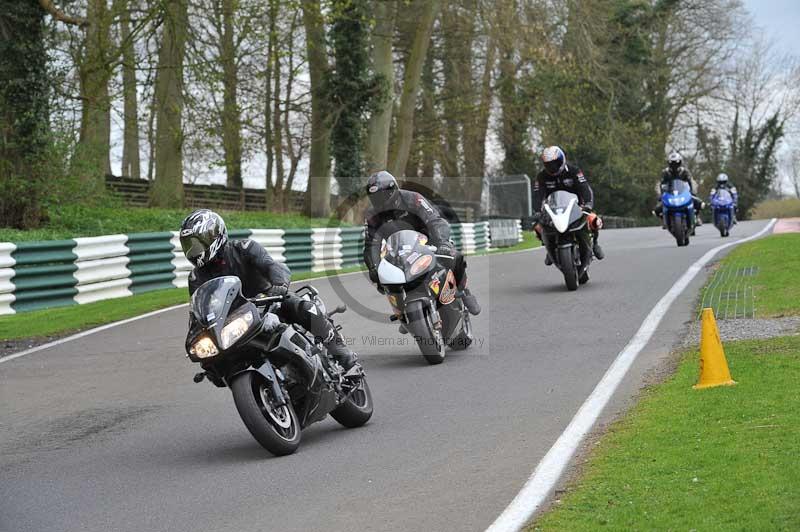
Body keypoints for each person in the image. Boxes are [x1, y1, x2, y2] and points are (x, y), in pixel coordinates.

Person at [180, 209, 359, 371]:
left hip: (269, 302)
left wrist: (279, 286)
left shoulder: (244, 249)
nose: (193, 252)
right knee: (214, 364)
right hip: (237, 324)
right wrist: (197, 336)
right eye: (188, 247)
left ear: (214, 236)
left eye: (196, 245)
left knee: (301, 307)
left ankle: (344, 355)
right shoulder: (196, 278)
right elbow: (198, 311)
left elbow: (271, 266)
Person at [363, 170, 481, 316]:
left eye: (382, 195)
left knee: (453, 256)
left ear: (392, 190)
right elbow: (371, 245)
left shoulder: (413, 199)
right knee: (385, 278)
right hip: (398, 251)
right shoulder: (372, 215)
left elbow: (435, 220)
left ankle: (464, 291)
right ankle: (403, 313)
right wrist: (374, 268)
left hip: (428, 242)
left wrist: (442, 242)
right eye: (375, 197)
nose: (379, 201)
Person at [530, 146, 604, 266]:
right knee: (538, 228)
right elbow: (537, 195)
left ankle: (595, 243)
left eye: (555, 164)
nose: (552, 168)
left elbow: (585, 188)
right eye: (549, 165)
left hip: (577, 206)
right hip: (553, 209)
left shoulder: (574, 171)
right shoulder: (542, 176)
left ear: (562, 160)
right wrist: (537, 211)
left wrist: (588, 204)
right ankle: (549, 248)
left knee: (594, 220)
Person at [654, 152, 704, 229]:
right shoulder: (665, 172)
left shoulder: (684, 171)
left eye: (676, 163)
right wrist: (661, 195)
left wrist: (692, 192)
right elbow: (661, 184)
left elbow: (690, 181)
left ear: (680, 162)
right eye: (672, 163)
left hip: (683, 192)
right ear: (669, 163)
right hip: (670, 194)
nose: (674, 165)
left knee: (699, 203)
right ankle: (664, 220)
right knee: (656, 210)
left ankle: (696, 217)